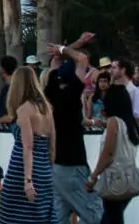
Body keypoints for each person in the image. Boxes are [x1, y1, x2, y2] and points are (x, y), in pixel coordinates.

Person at [44, 37, 100, 224]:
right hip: (73, 164)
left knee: (59, 217)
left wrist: (70, 46)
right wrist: (63, 48)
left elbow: (56, 60)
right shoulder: (74, 92)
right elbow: (82, 60)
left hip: (56, 166)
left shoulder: (51, 89)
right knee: (95, 214)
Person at [0, 65, 52, 224]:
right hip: (44, 169)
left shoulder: (24, 110)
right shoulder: (46, 108)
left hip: (21, 170)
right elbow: (52, 144)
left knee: (11, 216)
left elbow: (27, 146)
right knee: (42, 216)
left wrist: (27, 181)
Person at [87, 86, 139, 224]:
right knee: (114, 216)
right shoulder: (131, 123)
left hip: (114, 178)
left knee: (111, 217)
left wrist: (94, 176)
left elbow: (108, 152)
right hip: (129, 177)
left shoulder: (114, 122)